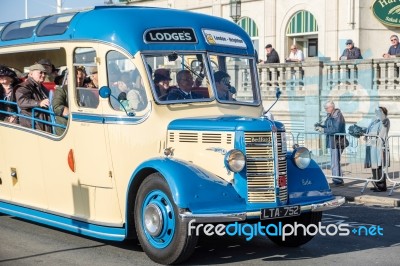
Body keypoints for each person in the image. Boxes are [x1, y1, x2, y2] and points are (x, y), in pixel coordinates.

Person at [315, 100, 346, 185]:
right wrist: (320, 126)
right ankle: (337, 180)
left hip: (337, 142)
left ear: (331, 107)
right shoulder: (330, 115)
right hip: (332, 141)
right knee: (334, 162)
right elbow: (328, 126)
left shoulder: (337, 116)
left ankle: (338, 181)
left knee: (335, 162)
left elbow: (336, 129)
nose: (325, 110)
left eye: (326, 108)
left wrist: (323, 129)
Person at [14, 63, 51, 132]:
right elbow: (22, 101)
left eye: (44, 73)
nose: (43, 75)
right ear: (31, 74)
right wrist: (39, 103)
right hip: (32, 123)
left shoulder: (42, 87)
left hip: (43, 121)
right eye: (40, 73)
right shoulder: (24, 86)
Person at [364, 107, 390, 192]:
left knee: (379, 166)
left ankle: (382, 186)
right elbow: (370, 130)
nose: (377, 113)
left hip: (380, 146)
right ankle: (376, 184)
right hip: (372, 146)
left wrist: (381, 114)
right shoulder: (374, 122)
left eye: (379, 112)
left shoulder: (385, 120)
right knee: (374, 166)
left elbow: (384, 124)